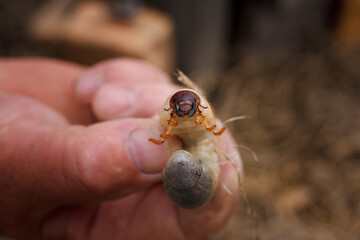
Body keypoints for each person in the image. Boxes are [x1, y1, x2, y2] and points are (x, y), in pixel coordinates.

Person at [0, 58, 241, 239]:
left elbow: (209, 124)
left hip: (198, 161)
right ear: (174, 110)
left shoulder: (193, 116)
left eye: (191, 108)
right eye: (181, 108)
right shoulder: (175, 120)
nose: (186, 110)